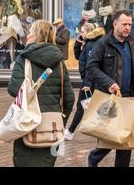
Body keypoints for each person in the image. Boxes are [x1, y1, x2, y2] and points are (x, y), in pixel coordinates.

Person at [7, 20, 75, 167]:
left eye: (31, 32)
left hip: (28, 126)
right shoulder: (60, 62)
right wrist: (61, 121)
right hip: (52, 128)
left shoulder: (24, 59)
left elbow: (13, 89)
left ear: (36, 35)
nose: (28, 35)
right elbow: (69, 98)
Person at [86, 9, 134, 167]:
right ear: (115, 24)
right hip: (111, 97)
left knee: (126, 140)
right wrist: (109, 83)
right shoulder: (103, 43)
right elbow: (91, 67)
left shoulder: (131, 42)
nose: (127, 27)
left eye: (130, 24)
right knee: (109, 135)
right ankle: (94, 158)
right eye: (124, 24)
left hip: (129, 98)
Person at [64, 23, 105, 141]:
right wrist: (78, 42)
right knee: (92, 106)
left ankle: (70, 132)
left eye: (82, 32)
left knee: (81, 106)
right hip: (91, 80)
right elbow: (79, 56)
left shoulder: (93, 44)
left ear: (88, 32)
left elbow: (91, 66)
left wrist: (87, 83)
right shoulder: (89, 43)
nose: (81, 34)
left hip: (91, 81)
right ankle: (101, 131)